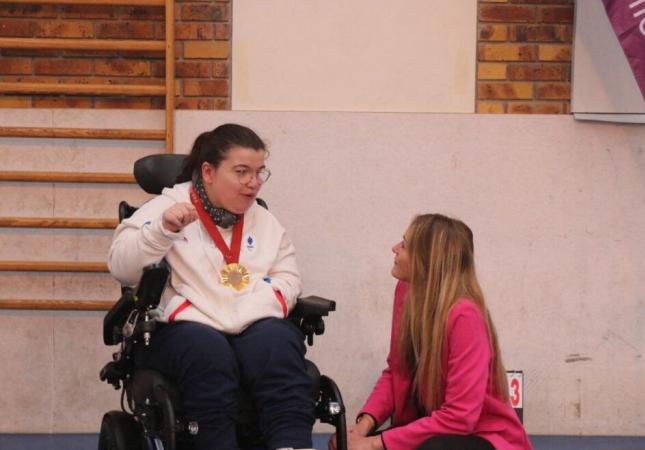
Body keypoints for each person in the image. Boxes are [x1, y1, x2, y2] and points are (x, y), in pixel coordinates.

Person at [108, 123, 314, 450]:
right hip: (185, 328)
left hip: (252, 321)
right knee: (208, 352)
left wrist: (244, 312)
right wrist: (162, 231)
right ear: (208, 171)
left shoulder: (265, 222)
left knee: (277, 344)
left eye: (260, 172)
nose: (253, 183)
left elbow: (289, 278)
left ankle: (291, 444)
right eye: (242, 172)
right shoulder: (168, 207)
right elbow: (120, 267)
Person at [331, 214, 532, 450]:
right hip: (434, 430)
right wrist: (363, 427)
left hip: (482, 437)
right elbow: (397, 370)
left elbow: (459, 419)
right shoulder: (406, 292)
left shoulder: (465, 315)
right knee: (343, 445)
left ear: (427, 259)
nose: (394, 248)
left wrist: (374, 443)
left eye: (404, 245)